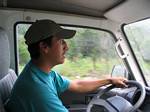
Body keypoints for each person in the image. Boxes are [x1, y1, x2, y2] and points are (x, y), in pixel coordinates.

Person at [6, 19, 127, 112]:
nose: (67, 47)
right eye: (61, 41)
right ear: (44, 47)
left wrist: (109, 80)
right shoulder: (37, 91)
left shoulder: (40, 72)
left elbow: (77, 85)